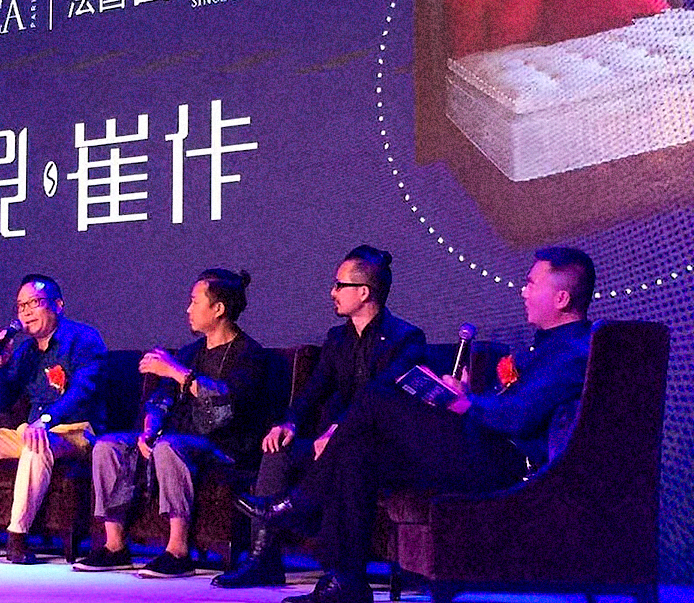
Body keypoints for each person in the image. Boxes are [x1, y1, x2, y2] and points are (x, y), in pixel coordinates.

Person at [239, 247, 596, 603]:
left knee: (377, 397)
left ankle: (302, 501)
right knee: (359, 452)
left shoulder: (574, 352)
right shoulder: (545, 348)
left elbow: (517, 417)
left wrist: (465, 403)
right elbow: (510, 407)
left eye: (531, 284)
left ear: (562, 298)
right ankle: (346, 581)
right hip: (484, 446)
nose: (523, 291)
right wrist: (466, 395)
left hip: (506, 462)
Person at [214, 246, 425, 587]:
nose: (332, 292)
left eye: (339, 285)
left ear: (364, 292)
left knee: (348, 454)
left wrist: (338, 433)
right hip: (337, 440)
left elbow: (383, 399)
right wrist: (289, 423)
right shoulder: (337, 338)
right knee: (278, 448)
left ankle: (303, 517)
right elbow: (313, 391)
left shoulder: (406, 339)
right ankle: (263, 560)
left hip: (382, 446)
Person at [75, 269, 274, 578]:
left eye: (195, 302)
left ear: (218, 309)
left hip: (226, 446)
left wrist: (175, 371)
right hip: (177, 439)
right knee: (108, 445)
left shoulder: (250, 354)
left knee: (170, 446)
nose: (188, 309)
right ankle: (114, 546)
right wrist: (149, 429)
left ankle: (177, 551)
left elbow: (226, 406)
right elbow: (159, 400)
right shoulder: (190, 352)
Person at [0, 274, 107, 564]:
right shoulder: (26, 351)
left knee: (36, 441)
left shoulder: (83, 338)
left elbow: (83, 390)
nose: (26, 312)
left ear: (58, 305)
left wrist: (47, 420)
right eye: (21, 306)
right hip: (32, 430)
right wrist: (0, 366)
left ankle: (17, 536)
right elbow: (0, 404)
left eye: (35, 303)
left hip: (76, 432)